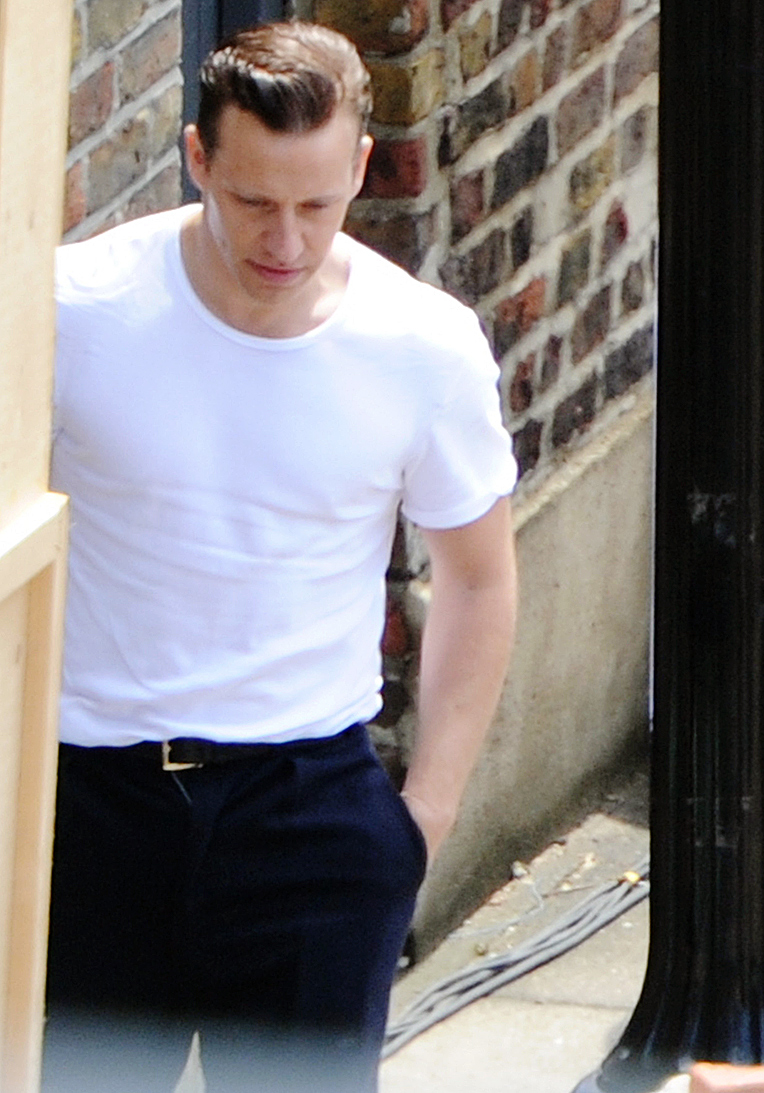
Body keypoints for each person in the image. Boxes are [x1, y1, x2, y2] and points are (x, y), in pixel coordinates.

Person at [44, 21, 519, 1093]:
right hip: (94, 801)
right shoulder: (76, 311)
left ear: (360, 166)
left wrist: (422, 821)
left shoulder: (422, 345)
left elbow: (480, 577)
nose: (287, 241)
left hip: (310, 808)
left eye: (318, 204)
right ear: (197, 158)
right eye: (254, 201)